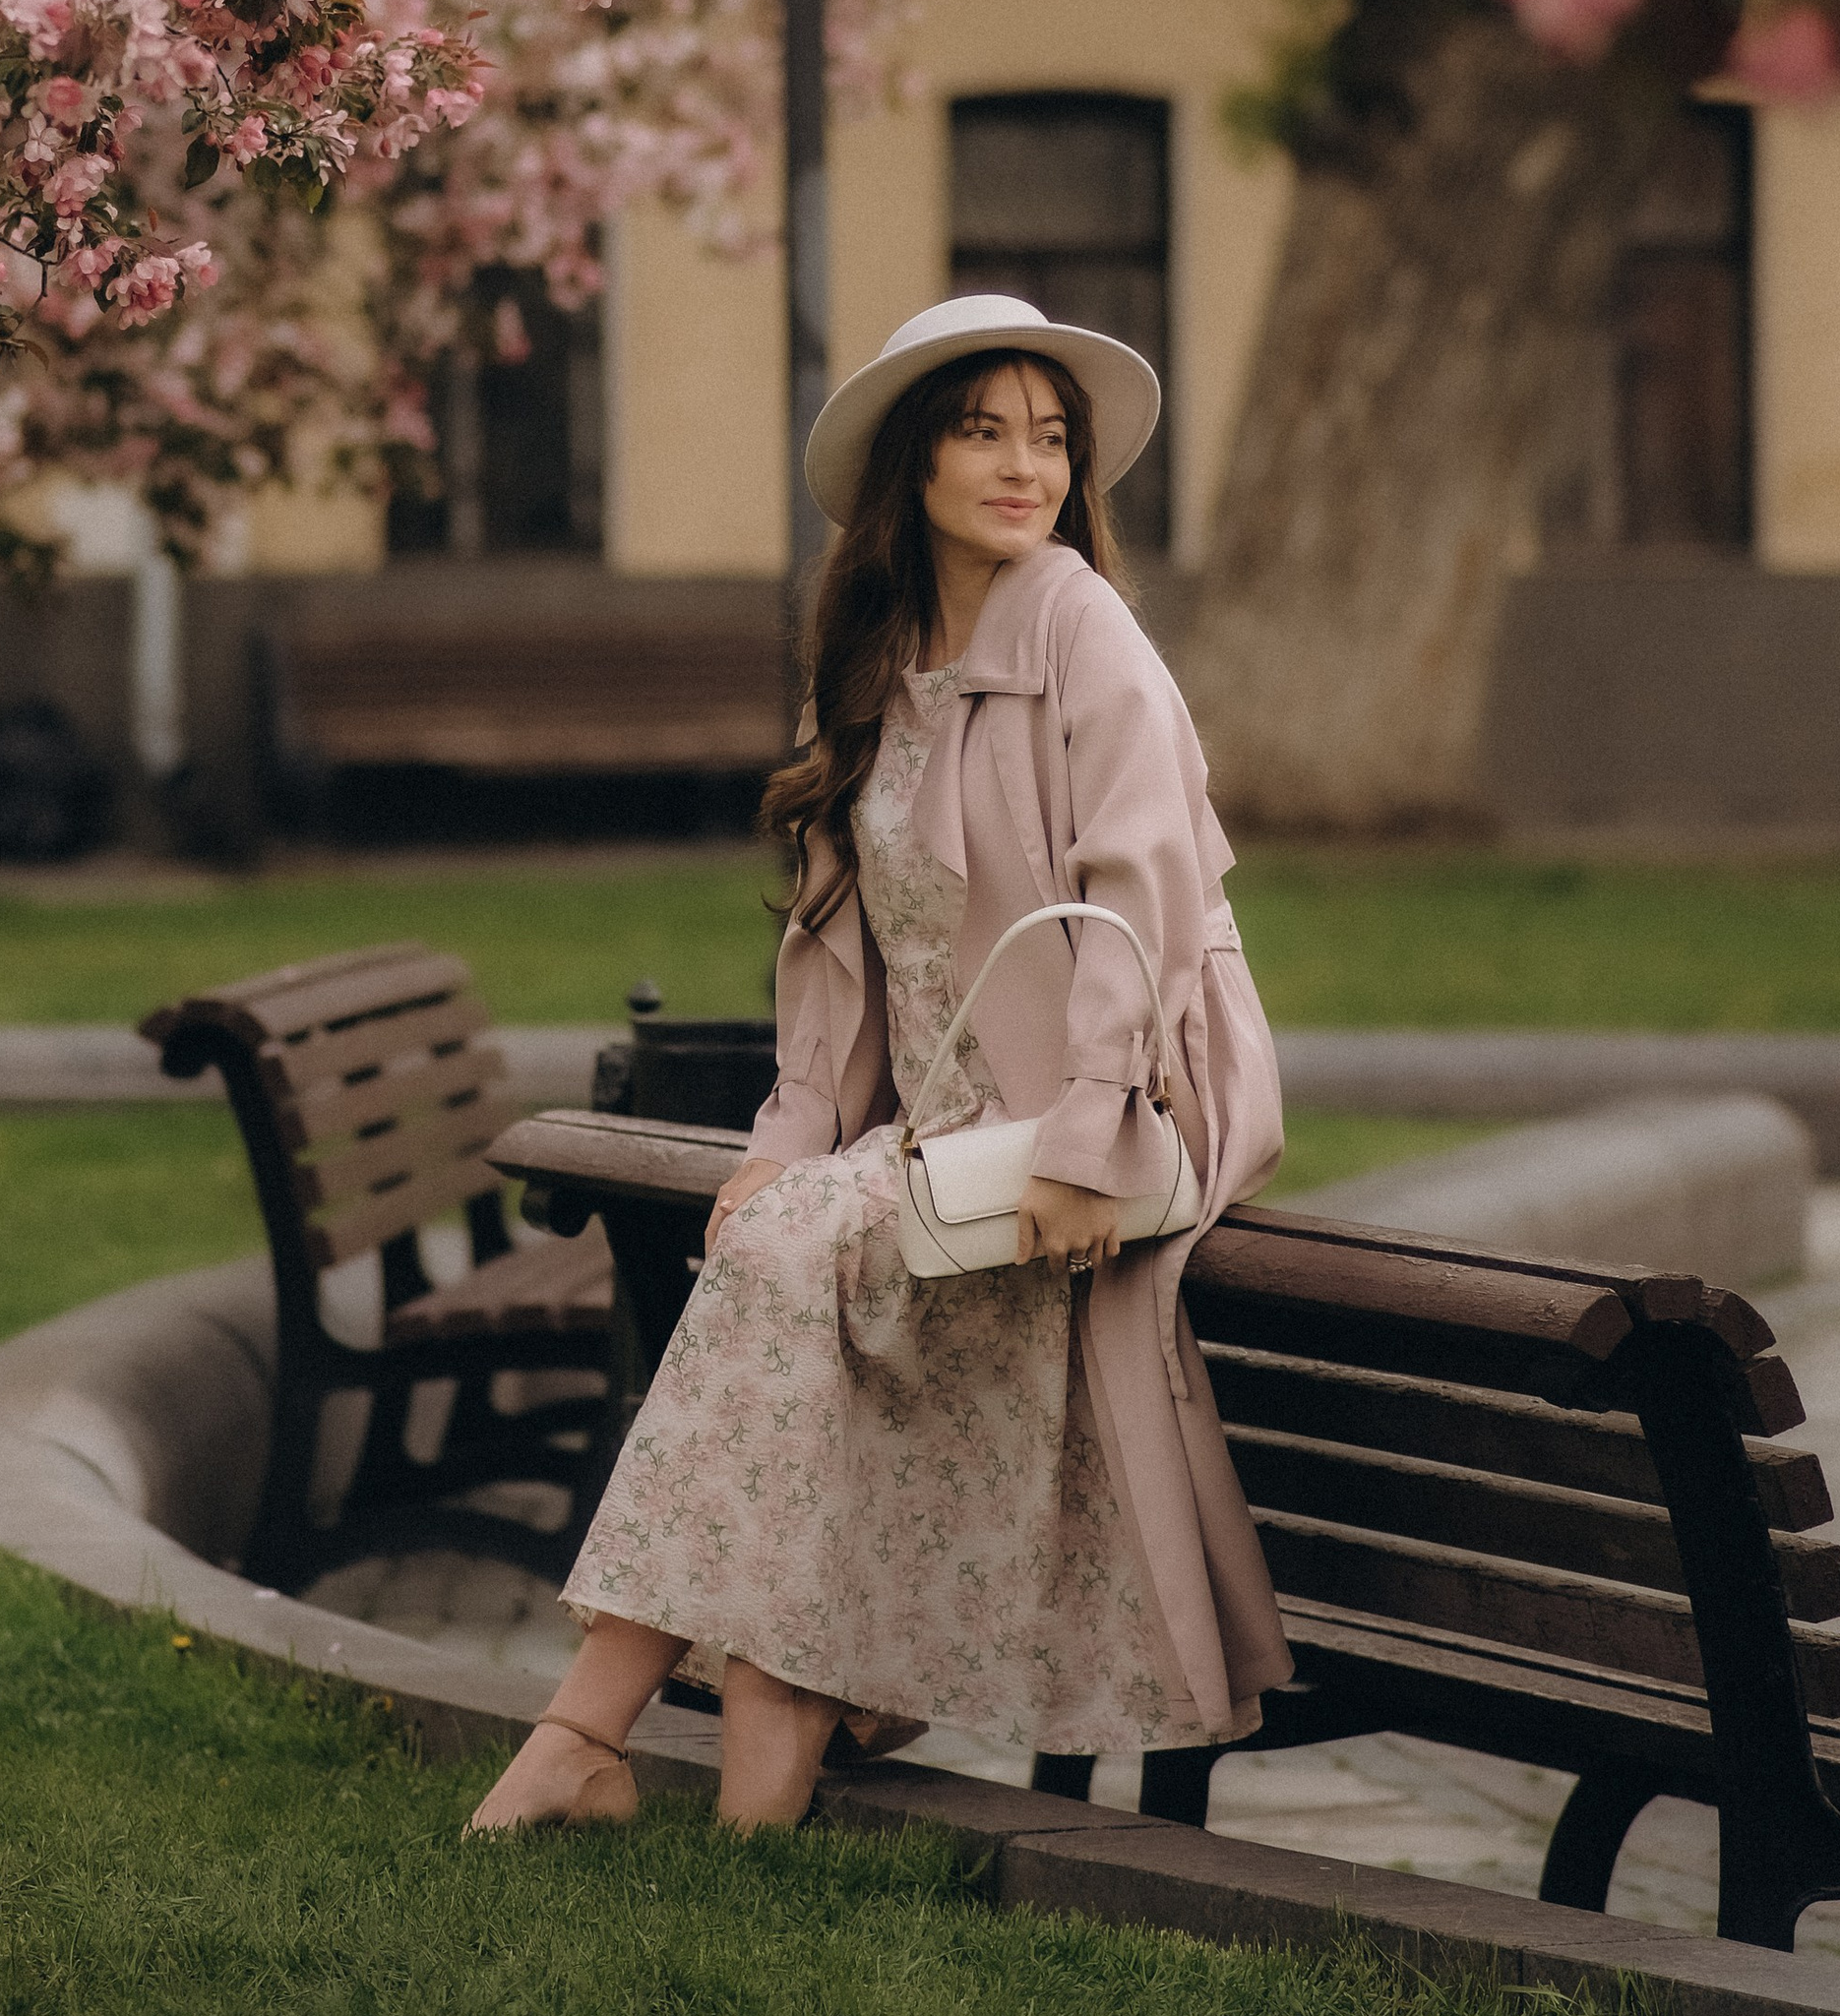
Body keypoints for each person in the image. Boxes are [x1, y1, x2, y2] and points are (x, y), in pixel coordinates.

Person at [464, 293, 1292, 1836]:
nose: (1023, 465)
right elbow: (838, 956)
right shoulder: (878, 660)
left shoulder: (1074, 618)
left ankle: (583, 1738)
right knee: (788, 1312)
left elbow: (1144, 886)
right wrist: (783, 1144)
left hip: (1124, 1095)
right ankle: (751, 1797)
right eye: (983, 430)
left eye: (1050, 438)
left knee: (781, 1277)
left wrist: (1093, 1130)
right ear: (914, 464)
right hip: (954, 1117)